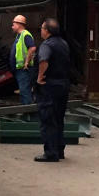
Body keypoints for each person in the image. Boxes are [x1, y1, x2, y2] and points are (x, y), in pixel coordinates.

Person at [34, 18, 70, 163]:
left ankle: (50, 153)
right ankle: (59, 150)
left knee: (48, 119)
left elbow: (43, 60)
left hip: (49, 86)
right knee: (59, 118)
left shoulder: (46, 45)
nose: (41, 31)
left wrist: (40, 77)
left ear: (47, 31)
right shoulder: (64, 44)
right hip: (63, 85)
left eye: (42, 28)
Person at [9, 14, 37, 104]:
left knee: (25, 92)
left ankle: (30, 115)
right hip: (20, 70)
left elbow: (32, 48)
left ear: (19, 24)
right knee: (24, 92)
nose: (12, 26)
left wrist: (26, 62)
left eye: (13, 24)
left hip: (24, 70)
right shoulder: (19, 36)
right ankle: (27, 113)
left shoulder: (25, 34)